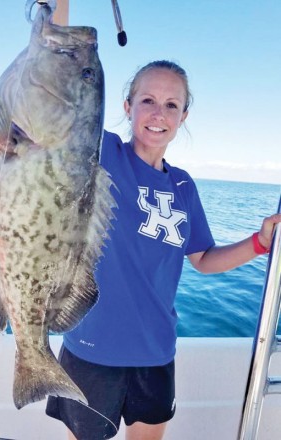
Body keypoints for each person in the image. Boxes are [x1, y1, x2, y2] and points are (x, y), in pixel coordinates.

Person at [46, 60, 281, 440]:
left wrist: (260, 242)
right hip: (91, 349)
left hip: (155, 353)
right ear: (128, 107)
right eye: (148, 100)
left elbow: (204, 259)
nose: (159, 114)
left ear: (184, 115)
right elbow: (59, 93)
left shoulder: (184, 187)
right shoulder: (103, 153)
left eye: (172, 105)